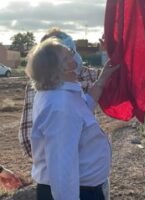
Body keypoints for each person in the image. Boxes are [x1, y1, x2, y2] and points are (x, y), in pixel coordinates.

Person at [25, 37, 119, 200]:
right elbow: (62, 167)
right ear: (55, 68)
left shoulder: (59, 94)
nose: (74, 61)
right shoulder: (60, 106)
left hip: (82, 188)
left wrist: (102, 80)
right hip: (76, 192)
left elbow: (82, 111)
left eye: (71, 54)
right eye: (67, 57)